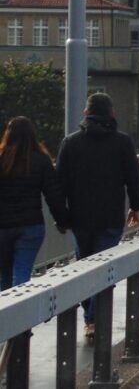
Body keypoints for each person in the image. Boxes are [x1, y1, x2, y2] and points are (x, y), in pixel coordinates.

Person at [56, 92, 139, 342]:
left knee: (84, 265)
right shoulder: (122, 143)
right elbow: (133, 178)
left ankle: (91, 317)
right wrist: (135, 206)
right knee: (103, 266)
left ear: (86, 113)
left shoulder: (70, 143)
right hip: (110, 217)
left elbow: (59, 184)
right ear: (112, 114)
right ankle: (94, 317)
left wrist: (62, 218)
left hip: (80, 218)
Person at [0, 117, 68, 290]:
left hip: (3, 226)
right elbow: (53, 195)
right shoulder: (41, 160)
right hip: (30, 225)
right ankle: (21, 304)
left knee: (3, 275)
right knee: (22, 272)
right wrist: (62, 221)